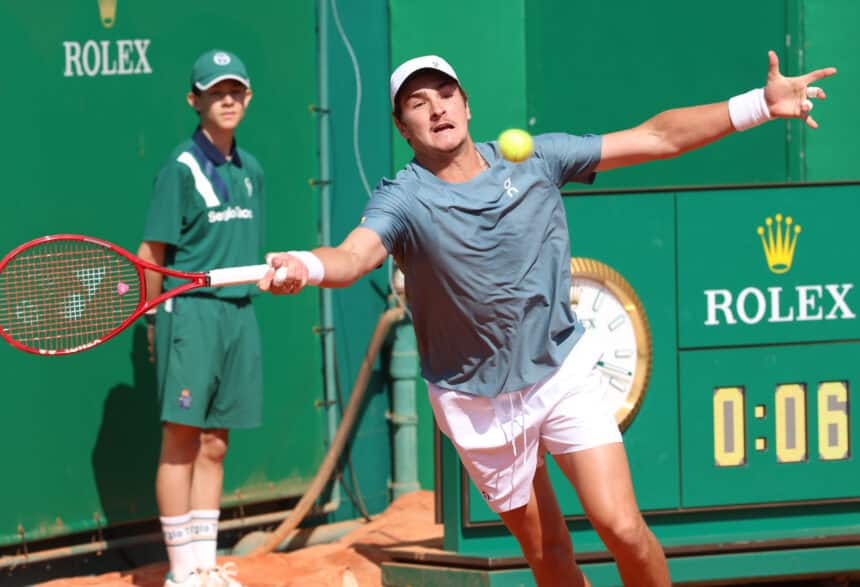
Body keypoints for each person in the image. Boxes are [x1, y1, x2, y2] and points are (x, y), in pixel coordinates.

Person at [258, 52, 836, 586]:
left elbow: (656, 137)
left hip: (559, 369)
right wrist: (306, 266)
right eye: (417, 102)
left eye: (445, 93)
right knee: (548, 555)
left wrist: (759, 105)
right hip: (474, 403)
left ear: (466, 105)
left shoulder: (536, 158)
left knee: (622, 528)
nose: (435, 108)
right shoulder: (403, 198)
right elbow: (355, 255)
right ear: (402, 127)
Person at [137, 49, 265, 587]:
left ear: (248, 98)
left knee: (216, 443)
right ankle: (181, 572)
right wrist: (151, 321)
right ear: (195, 101)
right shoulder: (179, 168)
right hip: (189, 315)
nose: (227, 99)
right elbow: (150, 251)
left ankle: (205, 566)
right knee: (181, 440)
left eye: (235, 90)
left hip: (238, 315)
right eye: (216, 92)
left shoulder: (253, 169)